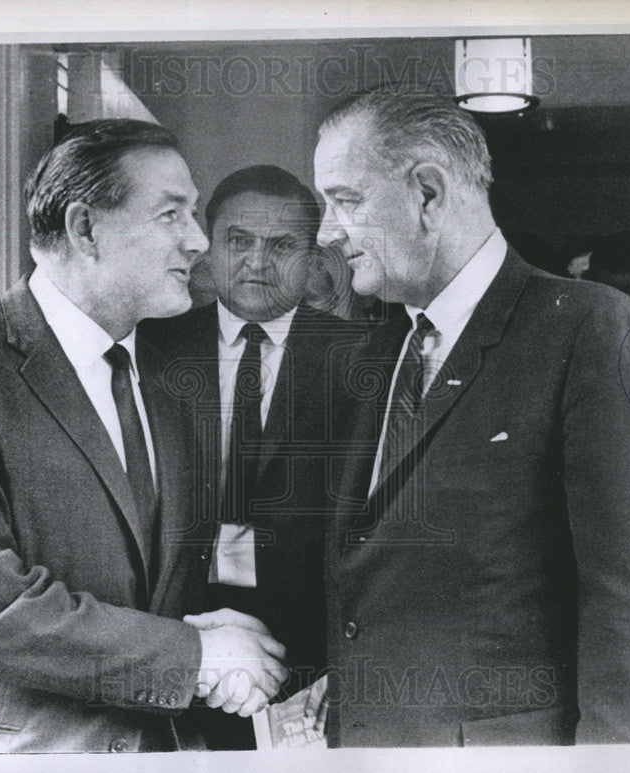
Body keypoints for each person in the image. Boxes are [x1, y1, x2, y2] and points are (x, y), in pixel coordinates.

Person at [0, 120, 287, 753]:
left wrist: (229, 630)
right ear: (84, 228)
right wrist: (196, 655)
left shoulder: (177, 370)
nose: (198, 242)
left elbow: (174, 565)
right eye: (171, 215)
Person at [310, 88, 630, 746]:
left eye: (345, 200)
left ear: (428, 194)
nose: (327, 232)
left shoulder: (593, 331)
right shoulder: (374, 352)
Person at [141, 165, 353, 749]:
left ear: (313, 256)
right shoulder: (150, 347)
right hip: (176, 632)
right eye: (239, 241)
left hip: (312, 648)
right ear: (209, 245)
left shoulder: (366, 359)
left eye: (282, 246)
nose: (258, 262)